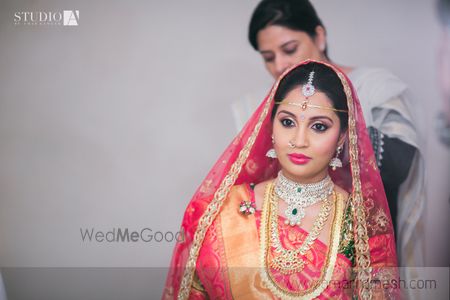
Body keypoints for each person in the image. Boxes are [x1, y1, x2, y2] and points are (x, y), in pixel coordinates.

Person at [163, 61, 399, 299]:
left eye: (318, 126)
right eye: (287, 122)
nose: (299, 140)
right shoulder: (217, 212)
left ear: (341, 138)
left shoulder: (361, 222)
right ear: (271, 126)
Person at [247, 0, 425, 272]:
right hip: (286, 248)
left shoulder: (374, 86)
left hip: (361, 244)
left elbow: (402, 164)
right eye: (268, 57)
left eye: (289, 49)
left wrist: (337, 131)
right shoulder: (270, 103)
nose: (279, 65)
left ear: (319, 36)